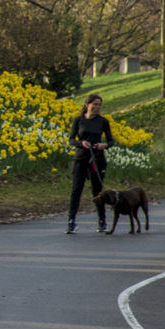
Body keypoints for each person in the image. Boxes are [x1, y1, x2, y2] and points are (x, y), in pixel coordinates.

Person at [67, 94, 115, 233]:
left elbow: (111, 141)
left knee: (98, 191)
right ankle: (71, 221)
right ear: (87, 104)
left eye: (99, 105)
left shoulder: (103, 121)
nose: (97, 107)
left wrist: (104, 145)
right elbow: (71, 140)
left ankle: (102, 221)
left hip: (97, 159)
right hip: (81, 159)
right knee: (76, 190)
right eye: (94, 104)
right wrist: (81, 143)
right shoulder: (78, 120)